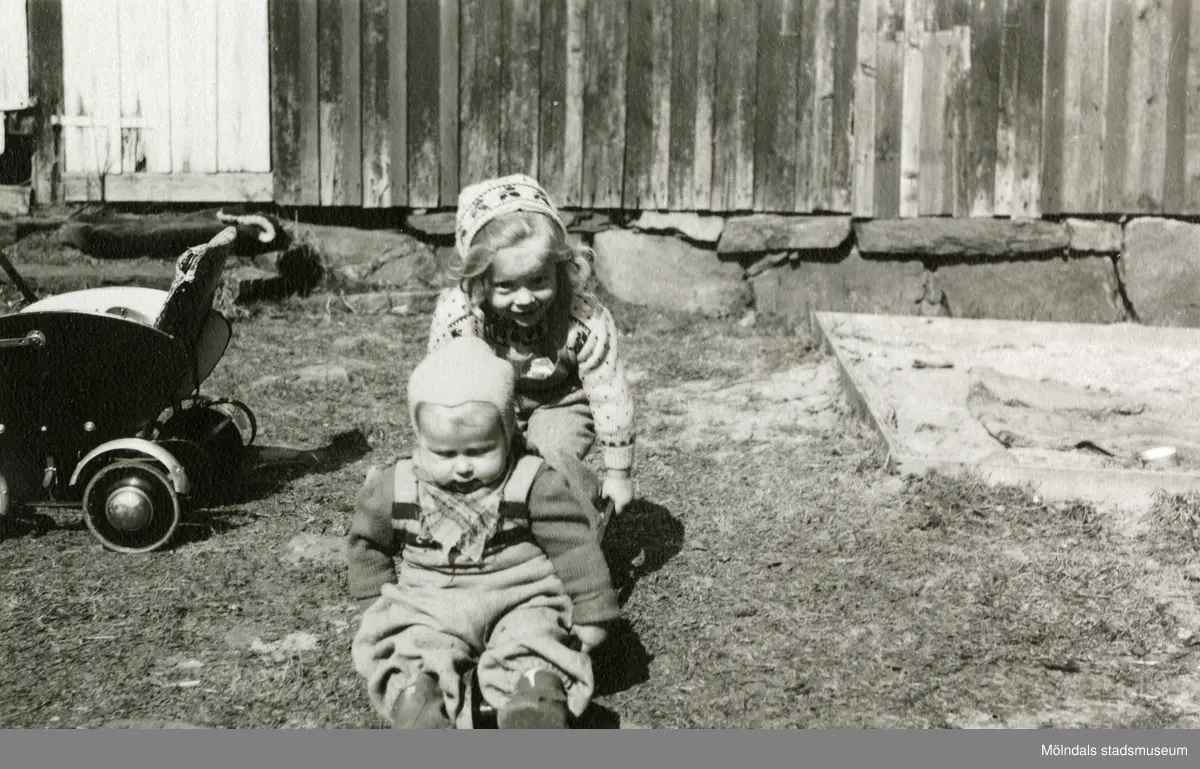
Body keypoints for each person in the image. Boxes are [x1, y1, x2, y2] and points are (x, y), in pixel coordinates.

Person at [346, 336, 620, 729]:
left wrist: (593, 610)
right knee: (410, 641)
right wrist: (376, 600)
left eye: (479, 451)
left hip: (518, 593)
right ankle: (419, 696)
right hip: (431, 599)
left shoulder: (532, 482)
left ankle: (532, 695)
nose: (462, 467)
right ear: (419, 439)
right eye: (444, 453)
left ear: (508, 434)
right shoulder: (398, 485)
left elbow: (574, 548)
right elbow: (367, 541)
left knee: (535, 635)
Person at [427, 174, 636, 528]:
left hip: (560, 402)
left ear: (559, 266)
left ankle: (575, 536)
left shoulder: (584, 319)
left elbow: (609, 392)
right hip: (490, 401)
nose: (525, 299)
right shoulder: (459, 317)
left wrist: (619, 473)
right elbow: (439, 389)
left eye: (539, 280)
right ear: (480, 281)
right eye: (506, 286)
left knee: (549, 459)